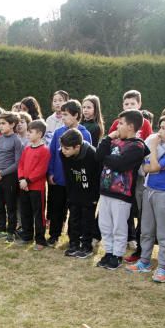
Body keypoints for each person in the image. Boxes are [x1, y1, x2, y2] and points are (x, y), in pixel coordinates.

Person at [126, 114, 165, 283]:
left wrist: (153, 150)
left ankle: (162, 267)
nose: (159, 131)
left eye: (164, 128)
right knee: (146, 228)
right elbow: (144, 166)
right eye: (159, 127)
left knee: (164, 232)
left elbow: (153, 166)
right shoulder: (160, 145)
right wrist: (164, 166)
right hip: (149, 190)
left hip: (164, 195)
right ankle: (144, 261)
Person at [95, 110, 150, 270]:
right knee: (104, 224)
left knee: (118, 226)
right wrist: (108, 138)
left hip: (122, 195)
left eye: (120, 123)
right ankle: (109, 251)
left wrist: (107, 158)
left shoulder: (137, 146)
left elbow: (121, 164)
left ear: (131, 126)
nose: (117, 126)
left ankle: (117, 255)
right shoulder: (114, 142)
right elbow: (98, 156)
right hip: (106, 191)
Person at [46, 100, 93, 246]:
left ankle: (74, 237)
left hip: (76, 180)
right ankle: (54, 234)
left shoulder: (85, 134)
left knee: (75, 209)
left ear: (76, 115)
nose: (63, 118)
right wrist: (51, 172)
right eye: (62, 115)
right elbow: (52, 154)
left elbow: (88, 158)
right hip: (58, 178)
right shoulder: (58, 133)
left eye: (66, 115)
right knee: (56, 207)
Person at [58, 128, 101, 258]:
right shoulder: (63, 154)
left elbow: (97, 177)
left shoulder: (93, 155)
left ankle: (86, 246)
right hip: (74, 192)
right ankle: (74, 244)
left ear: (77, 147)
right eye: (62, 147)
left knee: (87, 221)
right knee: (74, 218)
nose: (63, 151)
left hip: (89, 194)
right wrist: (70, 194)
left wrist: (94, 197)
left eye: (67, 148)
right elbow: (68, 174)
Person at [0, 111, 24, 241]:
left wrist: (2, 173)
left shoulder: (16, 141)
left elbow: (17, 163)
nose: (1, 126)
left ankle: (11, 231)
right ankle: (1, 229)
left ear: (12, 124)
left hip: (8, 177)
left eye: (4, 123)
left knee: (10, 205)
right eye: (0, 123)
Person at [17, 119, 50, 249]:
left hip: (36, 188)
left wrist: (28, 180)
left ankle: (40, 240)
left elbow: (41, 170)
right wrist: (21, 179)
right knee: (25, 212)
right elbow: (21, 164)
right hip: (24, 186)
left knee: (38, 214)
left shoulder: (45, 150)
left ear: (40, 134)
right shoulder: (27, 149)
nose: (28, 134)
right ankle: (27, 235)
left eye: (31, 132)